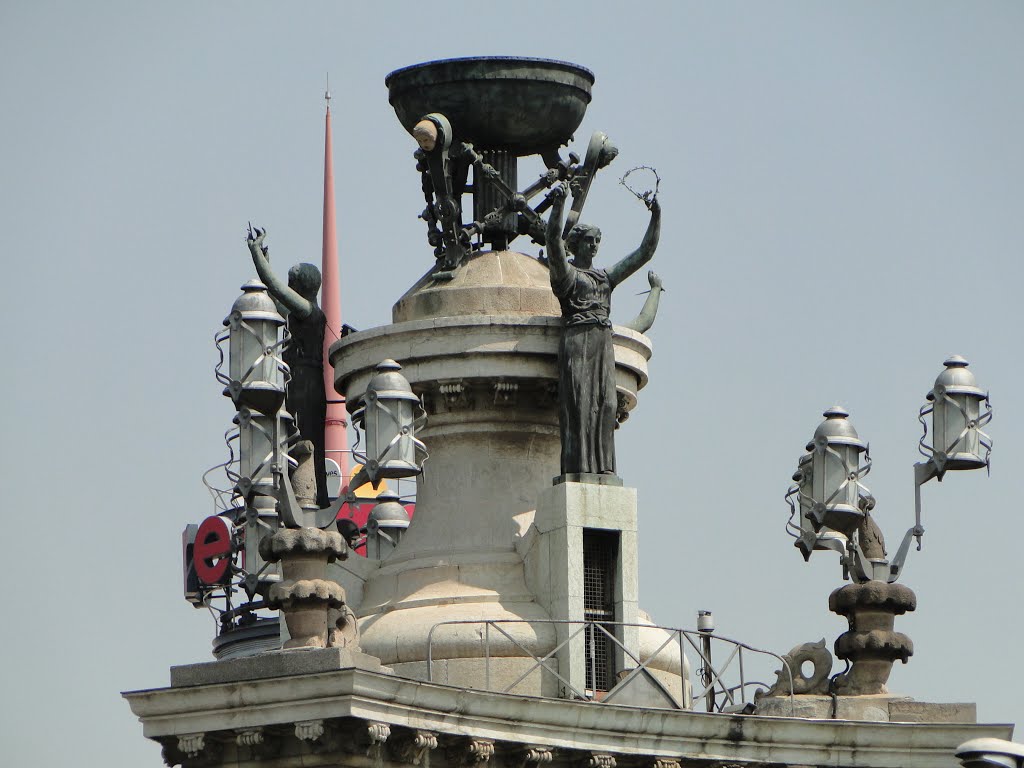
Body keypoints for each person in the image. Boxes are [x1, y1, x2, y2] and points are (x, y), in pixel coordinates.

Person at [545, 184, 661, 476]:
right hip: (577, 339)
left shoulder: (605, 278)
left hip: (601, 342)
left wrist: (656, 215)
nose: (594, 246)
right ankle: (579, 469)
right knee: (579, 406)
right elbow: (552, 245)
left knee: (607, 405)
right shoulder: (568, 277)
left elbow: (644, 252)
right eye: (589, 240)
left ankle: (604, 469)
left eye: (597, 240)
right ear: (577, 244)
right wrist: (558, 206)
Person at [247, 227, 329, 508]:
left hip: (306, 383)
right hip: (298, 382)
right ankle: (302, 491)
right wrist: (265, 263)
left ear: (301, 288)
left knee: (304, 437)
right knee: (296, 436)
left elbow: (276, 289)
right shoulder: (302, 314)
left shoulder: (308, 311)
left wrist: (257, 254)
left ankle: (314, 495)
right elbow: (276, 298)